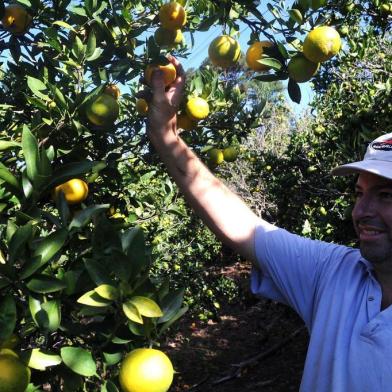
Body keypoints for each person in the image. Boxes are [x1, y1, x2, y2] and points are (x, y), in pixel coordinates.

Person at [145, 56, 392, 391]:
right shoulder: (335, 273)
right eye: (359, 193)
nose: (361, 210)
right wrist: (164, 133)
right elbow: (238, 222)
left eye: (386, 195)